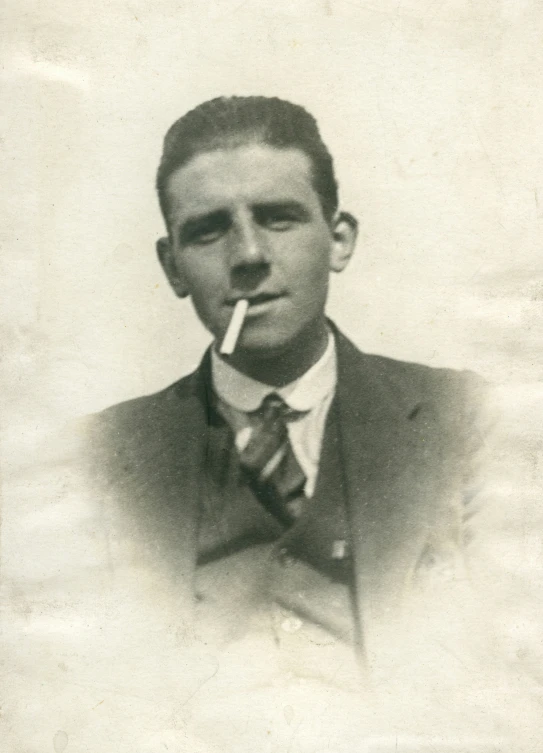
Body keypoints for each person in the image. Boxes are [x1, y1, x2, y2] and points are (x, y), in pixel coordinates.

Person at [7, 96, 540, 751]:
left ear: (338, 240)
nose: (249, 254)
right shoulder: (92, 460)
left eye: (279, 217)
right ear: (172, 266)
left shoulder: (464, 422)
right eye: (208, 230)